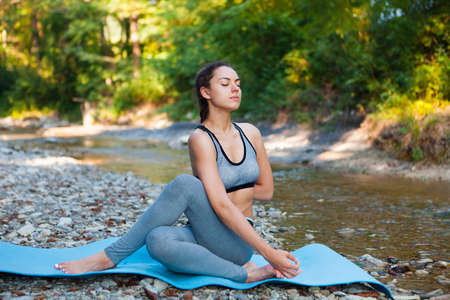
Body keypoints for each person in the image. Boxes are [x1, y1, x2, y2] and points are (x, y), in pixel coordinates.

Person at [54, 61, 300, 283]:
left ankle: (109, 257)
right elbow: (221, 205)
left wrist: (266, 249)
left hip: (238, 241)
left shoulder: (251, 133)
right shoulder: (201, 139)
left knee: (185, 184)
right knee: (157, 239)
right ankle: (245, 274)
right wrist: (222, 198)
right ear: (206, 93)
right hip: (206, 233)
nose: (235, 88)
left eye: (237, 84)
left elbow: (266, 191)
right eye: (225, 83)